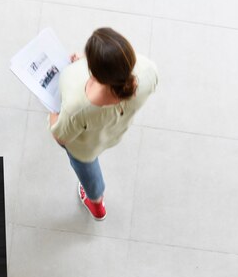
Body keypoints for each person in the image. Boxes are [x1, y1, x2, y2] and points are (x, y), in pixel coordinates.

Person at [48, 27, 158, 220]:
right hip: (116, 131)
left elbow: (61, 137)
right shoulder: (149, 71)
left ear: (95, 72)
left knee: (87, 171)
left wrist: (54, 114)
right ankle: (97, 205)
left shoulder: (77, 105)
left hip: (86, 148)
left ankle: (96, 202)